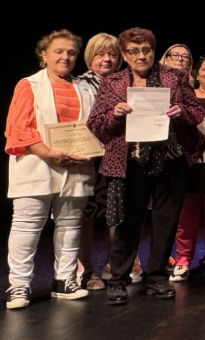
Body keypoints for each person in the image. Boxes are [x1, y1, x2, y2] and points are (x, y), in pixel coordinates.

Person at [87, 27, 205, 305]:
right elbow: (96, 123)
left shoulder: (173, 77)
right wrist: (115, 114)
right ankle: (118, 280)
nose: (141, 56)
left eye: (147, 50)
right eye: (134, 51)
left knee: (165, 222)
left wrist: (182, 113)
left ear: (153, 51)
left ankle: (157, 277)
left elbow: (197, 112)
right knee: (129, 222)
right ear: (124, 56)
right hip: (131, 162)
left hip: (170, 160)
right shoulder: (113, 82)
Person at [4, 29, 96, 309]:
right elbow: (18, 126)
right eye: (59, 51)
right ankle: (18, 286)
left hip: (75, 165)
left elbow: (92, 127)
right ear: (44, 54)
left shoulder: (84, 87)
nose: (65, 57)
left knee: (70, 224)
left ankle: (65, 280)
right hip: (37, 163)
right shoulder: (29, 84)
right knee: (27, 225)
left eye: (71, 52)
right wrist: (47, 153)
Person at [170, 56, 205, 282]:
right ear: (197, 73)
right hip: (190, 163)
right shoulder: (187, 97)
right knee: (187, 216)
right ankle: (183, 259)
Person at [74, 32, 122, 291]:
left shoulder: (125, 82)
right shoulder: (78, 84)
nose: (107, 59)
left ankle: (115, 267)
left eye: (112, 54)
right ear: (90, 56)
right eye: (101, 54)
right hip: (88, 159)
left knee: (116, 215)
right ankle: (86, 269)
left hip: (117, 158)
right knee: (87, 216)